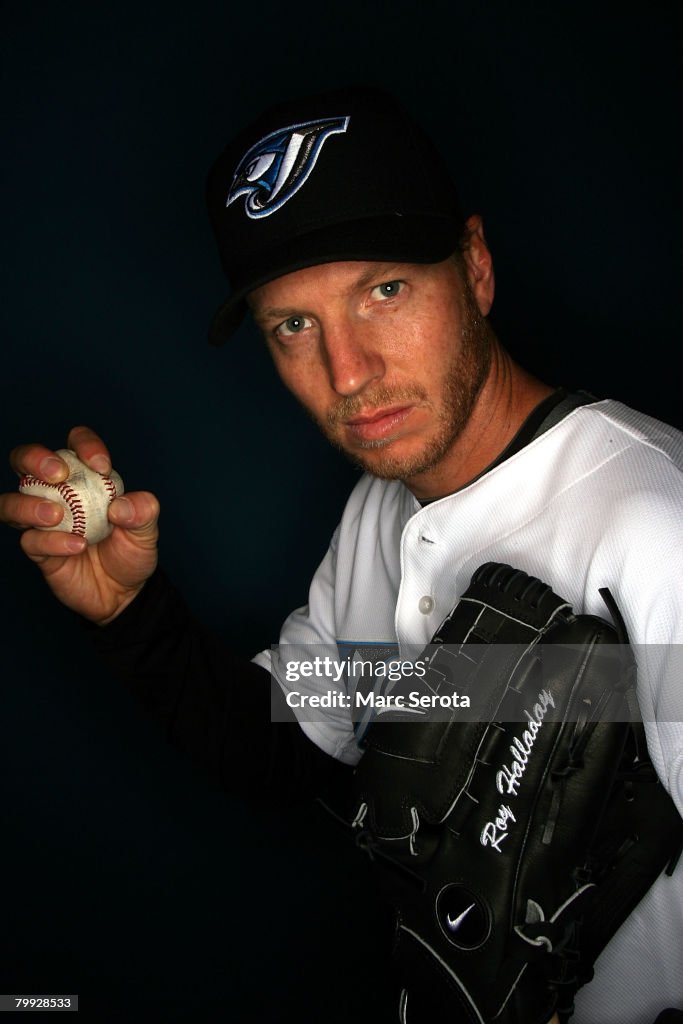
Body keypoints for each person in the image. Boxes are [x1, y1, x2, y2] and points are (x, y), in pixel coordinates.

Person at [2, 86, 682, 1024]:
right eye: (294, 326)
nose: (347, 372)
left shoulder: (656, 526)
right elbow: (293, 742)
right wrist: (130, 615)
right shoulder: (381, 509)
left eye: (384, 291)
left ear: (475, 268)